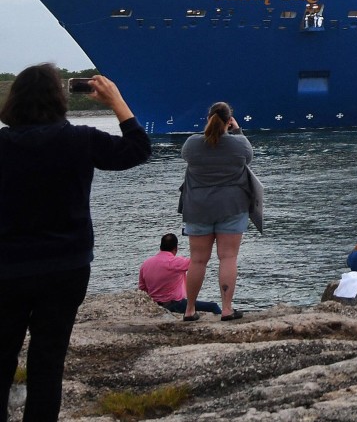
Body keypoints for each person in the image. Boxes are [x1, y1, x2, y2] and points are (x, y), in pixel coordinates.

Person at [0, 67, 151, 422]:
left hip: (7, 268)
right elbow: (138, 149)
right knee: (48, 362)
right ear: (61, 99)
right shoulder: (82, 139)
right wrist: (116, 101)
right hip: (66, 267)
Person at [179, 102, 256, 322]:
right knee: (228, 257)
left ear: (208, 117)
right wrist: (237, 131)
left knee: (197, 261)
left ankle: (190, 310)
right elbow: (248, 159)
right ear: (229, 120)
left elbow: (189, 156)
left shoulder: (192, 144)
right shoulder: (240, 144)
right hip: (232, 207)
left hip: (197, 209)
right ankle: (226, 309)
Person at [138, 233, 222, 315]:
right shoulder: (175, 262)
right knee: (213, 306)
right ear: (176, 248)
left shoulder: (145, 264)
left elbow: (142, 289)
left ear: (160, 247)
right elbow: (198, 264)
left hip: (155, 305)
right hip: (175, 304)